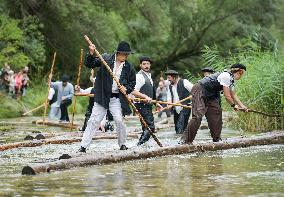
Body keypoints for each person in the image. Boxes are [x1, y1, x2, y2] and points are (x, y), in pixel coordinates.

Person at [79, 41, 136, 153]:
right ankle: (83, 146)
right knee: (94, 120)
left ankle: (122, 144)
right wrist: (91, 53)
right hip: (102, 96)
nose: (126, 56)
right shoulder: (105, 58)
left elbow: (132, 83)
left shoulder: (129, 67)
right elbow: (89, 64)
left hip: (116, 98)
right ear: (118, 53)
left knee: (119, 120)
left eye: (127, 54)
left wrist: (126, 89)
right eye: (124, 54)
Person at [181, 63, 248, 144]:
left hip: (212, 94)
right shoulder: (226, 76)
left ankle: (216, 140)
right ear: (239, 72)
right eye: (242, 74)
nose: (241, 76)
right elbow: (227, 96)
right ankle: (186, 141)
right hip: (200, 89)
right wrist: (233, 105)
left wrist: (242, 106)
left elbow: (233, 95)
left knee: (216, 113)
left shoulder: (231, 80)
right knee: (198, 116)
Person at [131, 56, 156, 145]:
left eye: (148, 64)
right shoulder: (139, 76)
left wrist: (157, 104)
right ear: (140, 65)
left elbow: (151, 92)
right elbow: (133, 91)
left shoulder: (149, 76)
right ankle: (139, 145)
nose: (146, 66)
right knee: (150, 127)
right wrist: (144, 96)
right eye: (144, 64)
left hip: (147, 105)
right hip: (141, 105)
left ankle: (140, 146)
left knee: (146, 127)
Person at [165, 69, 193, 134]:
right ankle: (183, 140)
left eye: (169, 78)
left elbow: (194, 90)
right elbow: (169, 97)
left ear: (174, 77)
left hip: (185, 107)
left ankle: (181, 142)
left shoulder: (184, 82)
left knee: (181, 127)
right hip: (176, 109)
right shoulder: (169, 86)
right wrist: (169, 105)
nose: (168, 79)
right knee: (177, 129)